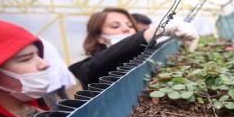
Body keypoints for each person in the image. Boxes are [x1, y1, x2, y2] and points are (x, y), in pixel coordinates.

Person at [68, 7, 198, 88]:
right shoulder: (87, 68)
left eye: (129, 25)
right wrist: (158, 30)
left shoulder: (141, 54)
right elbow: (98, 64)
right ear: (99, 37)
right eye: (115, 26)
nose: (126, 29)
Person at [40, 38, 77, 110]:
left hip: (53, 71)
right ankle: (71, 109)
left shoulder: (39, 42)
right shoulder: (43, 42)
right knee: (61, 92)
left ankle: (57, 114)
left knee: (49, 95)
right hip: (57, 70)